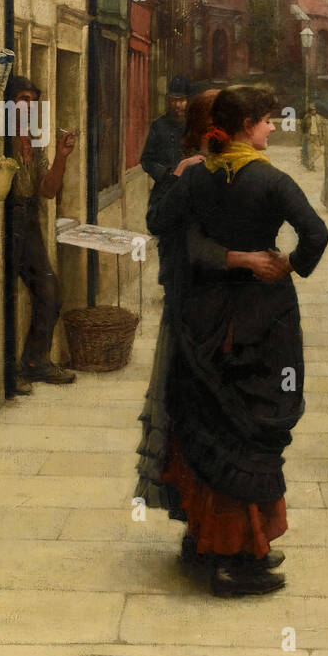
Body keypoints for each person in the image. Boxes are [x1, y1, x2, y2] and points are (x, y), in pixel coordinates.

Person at [147, 85, 328, 596]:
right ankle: (231, 557)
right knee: (253, 425)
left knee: (210, 420)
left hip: (204, 317)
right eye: (268, 120)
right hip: (261, 317)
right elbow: (315, 235)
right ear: (248, 125)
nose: (273, 127)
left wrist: (177, 175)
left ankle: (222, 542)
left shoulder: (196, 177)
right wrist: (286, 265)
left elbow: (162, 225)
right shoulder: (272, 180)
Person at [135, 88, 220, 520]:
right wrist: (173, 176)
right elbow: (159, 221)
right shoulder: (183, 154)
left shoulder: (234, 168)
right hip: (192, 295)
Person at [6, 75, 77, 391]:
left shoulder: (33, 141)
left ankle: (36, 362)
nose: (28, 107)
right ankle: (9, 372)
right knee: (3, 295)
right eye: (22, 100)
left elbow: (47, 190)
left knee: (49, 290)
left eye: (32, 102)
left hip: (28, 218)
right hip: (5, 220)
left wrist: (62, 157)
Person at [139, 75, 190, 211]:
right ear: (168, 100)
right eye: (174, 100)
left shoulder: (194, 125)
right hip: (165, 191)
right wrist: (166, 175)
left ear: (188, 101)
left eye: (182, 100)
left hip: (190, 191)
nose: (177, 105)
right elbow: (146, 160)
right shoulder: (158, 125)